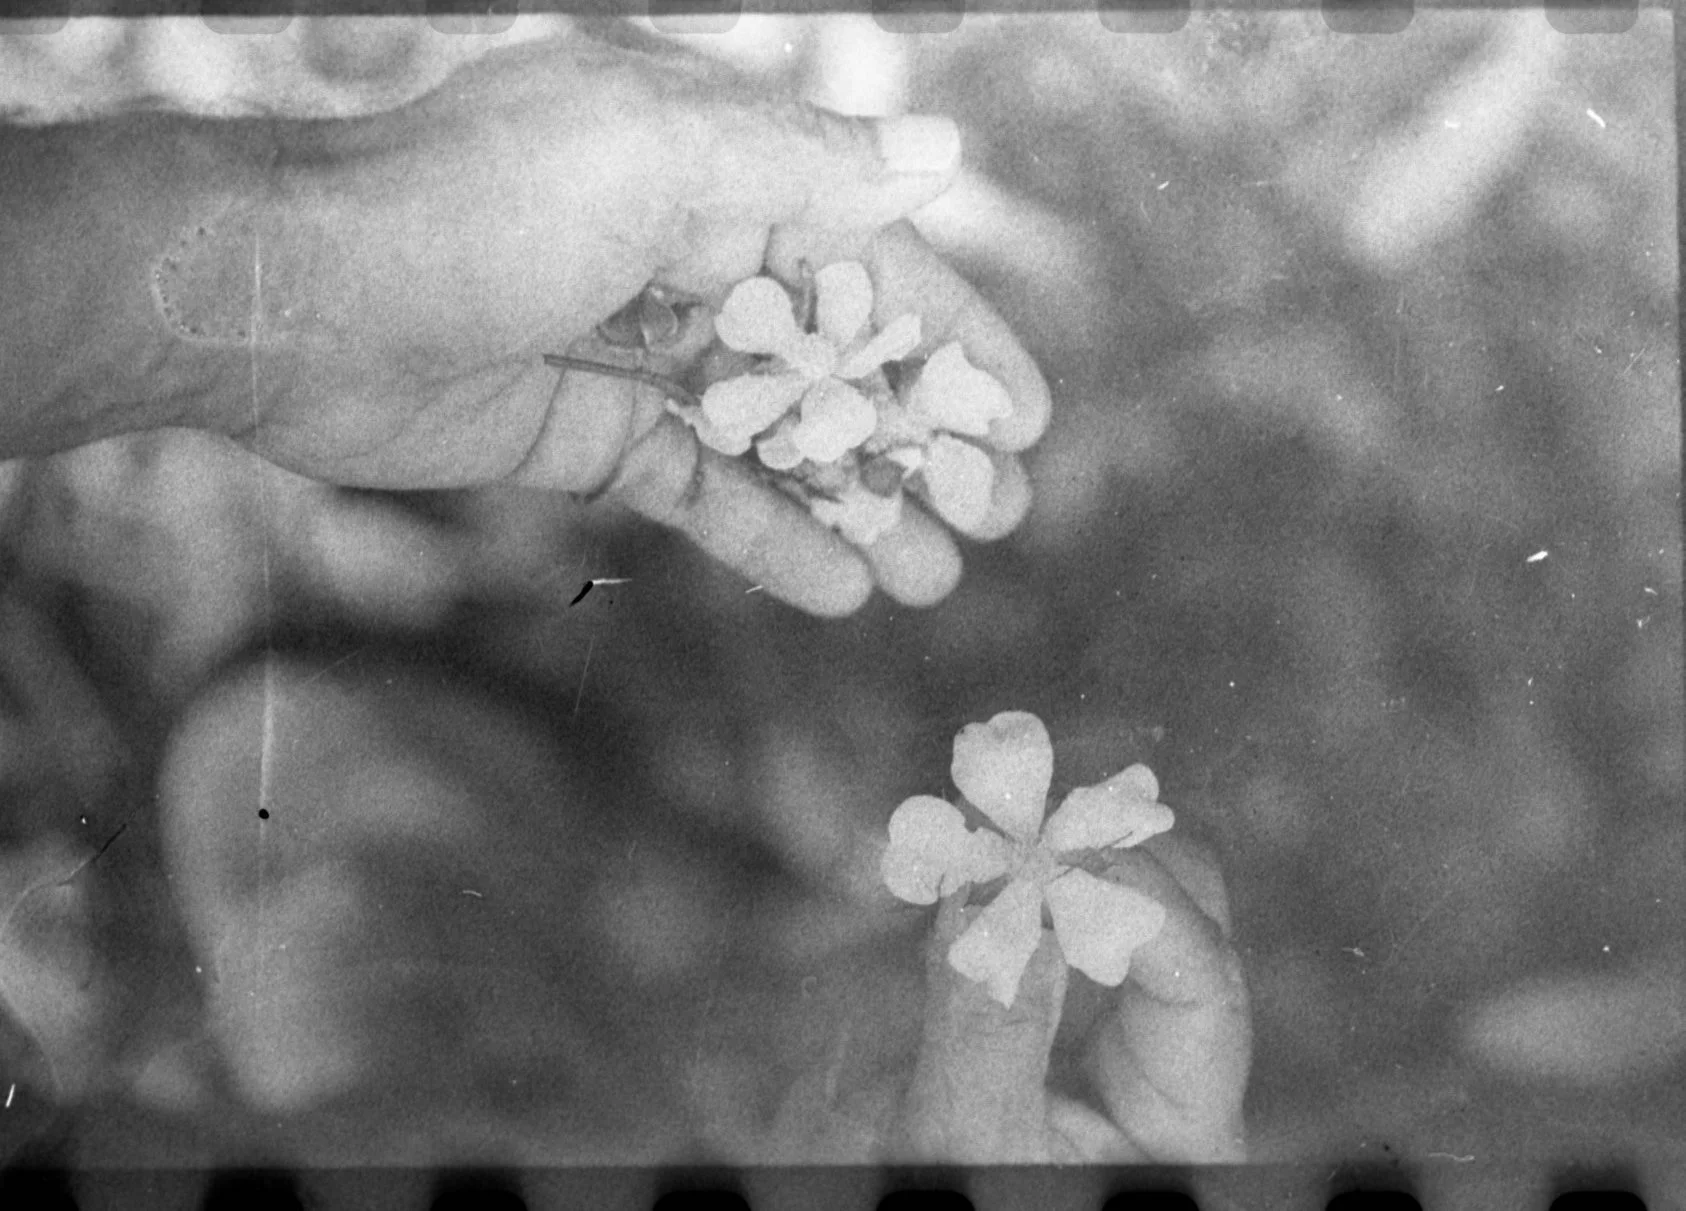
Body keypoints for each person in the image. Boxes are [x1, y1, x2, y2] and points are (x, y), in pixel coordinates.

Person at [0, 19, 1248, 1164]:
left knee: (408, 919)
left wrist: (307, 247)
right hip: (522, 826)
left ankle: (329, 670)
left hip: (319, 736)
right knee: (620, 931)